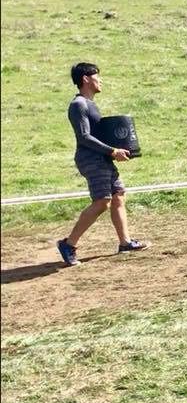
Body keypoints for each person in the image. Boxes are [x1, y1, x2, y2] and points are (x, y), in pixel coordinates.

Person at [56, 63, 148, 267]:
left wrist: (118, 148)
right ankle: (68, 244)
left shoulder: (90, 104)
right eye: (97, 76)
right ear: (86, 79)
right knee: (102, 202)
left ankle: (125, 243)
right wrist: (112, 151)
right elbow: (84, 137)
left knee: (118, 196)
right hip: (91, 159)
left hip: (102, 158)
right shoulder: (78, 105)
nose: (101, 81)